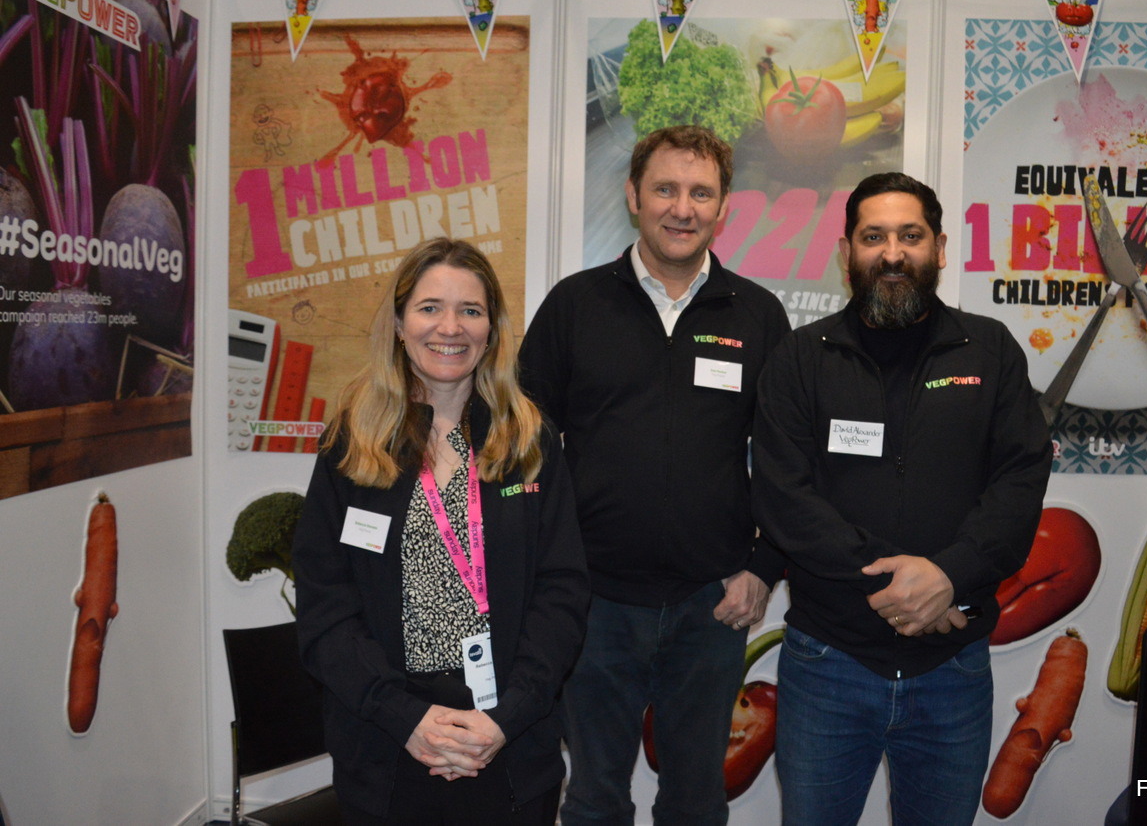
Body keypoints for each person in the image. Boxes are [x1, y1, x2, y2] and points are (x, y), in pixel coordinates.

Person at [751, 172, 1052, 825]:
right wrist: (909, 586)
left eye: (910, 236)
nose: (892, 253)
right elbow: (784, 496)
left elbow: (1020, 480)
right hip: (828, 665)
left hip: (952, 669)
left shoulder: (990, 351)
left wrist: (948, 576)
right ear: (846, 253)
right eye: (874, 237)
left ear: (940, 248)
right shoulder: (801, 357)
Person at [518, 125, 791, 825]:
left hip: (712, 605)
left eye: (701, 193)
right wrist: (547, 570)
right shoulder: (575, 305)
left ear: (723, 207)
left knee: (696, 801)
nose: (682, 208)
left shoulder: (758, 315)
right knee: (594, 798)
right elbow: (521, 450)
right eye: (666, 189)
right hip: (594, 605)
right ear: (633, 196)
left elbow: (791, 461)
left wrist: (764, 567)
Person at [292, 237, 590, 825]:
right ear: (399, 324)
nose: (450, 328)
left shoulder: (528, 441)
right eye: (429, 307)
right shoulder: (352, 444)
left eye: (470, 310)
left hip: (507, 741)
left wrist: (504, 718)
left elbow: (562, 593)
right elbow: (326, 606)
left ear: (491, 329)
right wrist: (405, 718)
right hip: (388, 745)